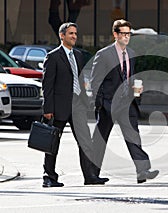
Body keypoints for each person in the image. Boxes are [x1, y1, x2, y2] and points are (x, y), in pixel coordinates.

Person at [91, 19, 159, 184]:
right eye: (123, 33)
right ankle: (91, 174)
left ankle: (142, 171)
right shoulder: (104, 54)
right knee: (100, 140)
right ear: (115, 34)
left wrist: (137, 90)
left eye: (129, 34)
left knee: (133, 136)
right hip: (108, 104)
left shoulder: (132, 53)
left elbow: (130, 76)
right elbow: (95, 81)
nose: (127, 37)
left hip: (127, 104)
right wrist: (100, 104)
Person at [42, 22, 109, 187]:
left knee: (85, 141)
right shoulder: (53, 56)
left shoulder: (78, 55)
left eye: (75, 34)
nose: (74, 36)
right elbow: (47, 85)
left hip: (77, 104)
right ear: (62, 35)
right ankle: (49, 177)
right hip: (59, 107)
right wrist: (48, 109)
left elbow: (80, 79)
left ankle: (90, 176)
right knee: (52, 144)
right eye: (70, 33)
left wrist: (86, 101)